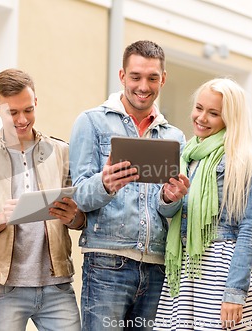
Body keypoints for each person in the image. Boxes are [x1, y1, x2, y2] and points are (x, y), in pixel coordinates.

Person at [69, 40, 189, 330]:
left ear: (163, 78)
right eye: (135, 77)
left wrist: (171, 199)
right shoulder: (91, 122)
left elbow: (171, 211)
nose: (143, 86)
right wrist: (106, 184)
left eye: (152, 78)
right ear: (122, 76)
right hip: (108, 264)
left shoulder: (174, 136)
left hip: (158, 266)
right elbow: (81, 197)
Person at [0, 68, 84, 331]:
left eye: (28, 110)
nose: (22, 119)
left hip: (57, 285)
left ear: (36, 102)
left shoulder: (62, 152)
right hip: (5, 287)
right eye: (12, 112)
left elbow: (81, 216)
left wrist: (73, 216)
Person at [154, 78, 252, 330]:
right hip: (185, 270)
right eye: (199, 108)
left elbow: (249, 230)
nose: (201, 117)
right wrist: (170, 197)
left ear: (230, 118)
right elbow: (168, 211)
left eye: (213, 113)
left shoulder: (242, 160)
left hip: (220, 271)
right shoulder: (185, 155)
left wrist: (234, 293)